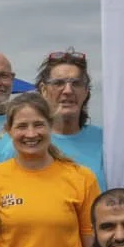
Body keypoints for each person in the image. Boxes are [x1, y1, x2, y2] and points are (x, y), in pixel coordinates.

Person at [0, 92, 102, 247]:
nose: (30, 133)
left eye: (38, 124)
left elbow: (92, 246)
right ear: (9, 130)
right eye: (21, 126)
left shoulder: (81, 178)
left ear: (50, 126)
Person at [35, 49, 108, 186]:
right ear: (44, 90)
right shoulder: (25, 143)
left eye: (76, 83)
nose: (68, 90)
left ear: (86, 92)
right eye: (58, 83)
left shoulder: (106, 142)